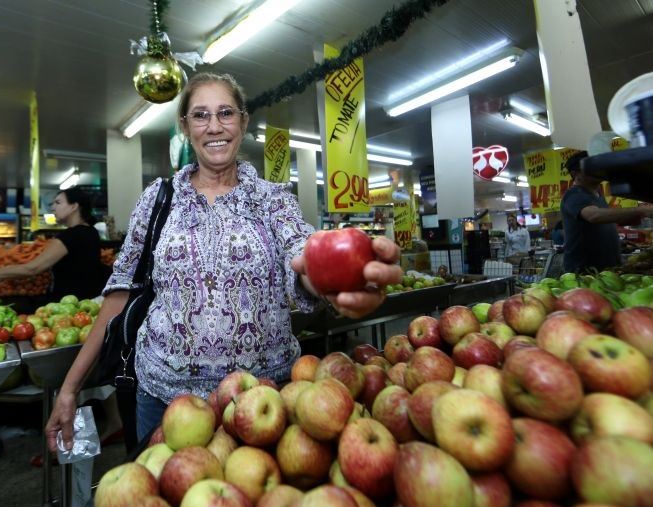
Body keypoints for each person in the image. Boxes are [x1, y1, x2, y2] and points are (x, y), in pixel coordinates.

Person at [45, 72, 402, 451]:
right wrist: (69, 389)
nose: (214, 126)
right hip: (165, 397)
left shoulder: (272, 200)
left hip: (262, 400)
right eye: (200, 115)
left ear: (243, 122)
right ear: (185, 127)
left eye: (226, 113)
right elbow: (119, 296)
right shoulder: (157, 200)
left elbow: (301, 258)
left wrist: (335, 277)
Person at [0, 188, 109, 300]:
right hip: (89, 300)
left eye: (58, 202)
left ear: (74, 206)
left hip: (68, 304)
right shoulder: (91, 232)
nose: (52, 207)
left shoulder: (70, 235)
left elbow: (32, 268)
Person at [561, 151, 653, 273]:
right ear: (575, 173)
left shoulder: (597, 194)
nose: (597, 170)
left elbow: (602, 223)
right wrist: (643, 210)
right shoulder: (575, 194)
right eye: (591, 168)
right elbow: (594, 215)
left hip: (605, 268)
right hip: (585, 271)